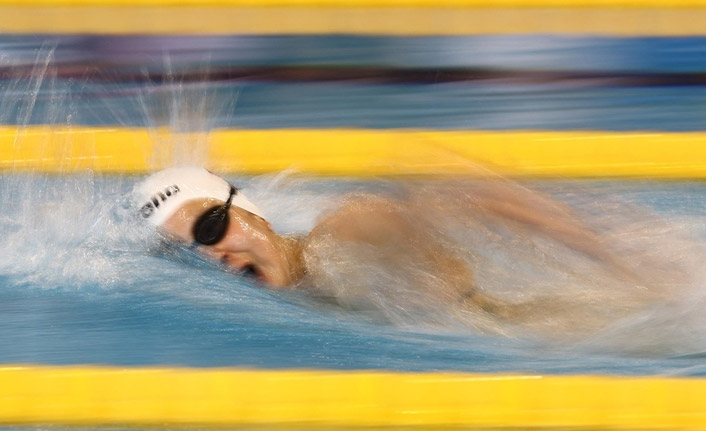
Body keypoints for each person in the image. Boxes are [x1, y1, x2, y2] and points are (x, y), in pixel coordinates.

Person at [134, 166, 684, 334]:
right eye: (188, 253)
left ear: (253, 212)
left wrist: (613, 252)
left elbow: (458, 198)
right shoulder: (294, 295)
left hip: (583, 332)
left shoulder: (337, 240)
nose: (213, 256)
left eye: (210, 229)